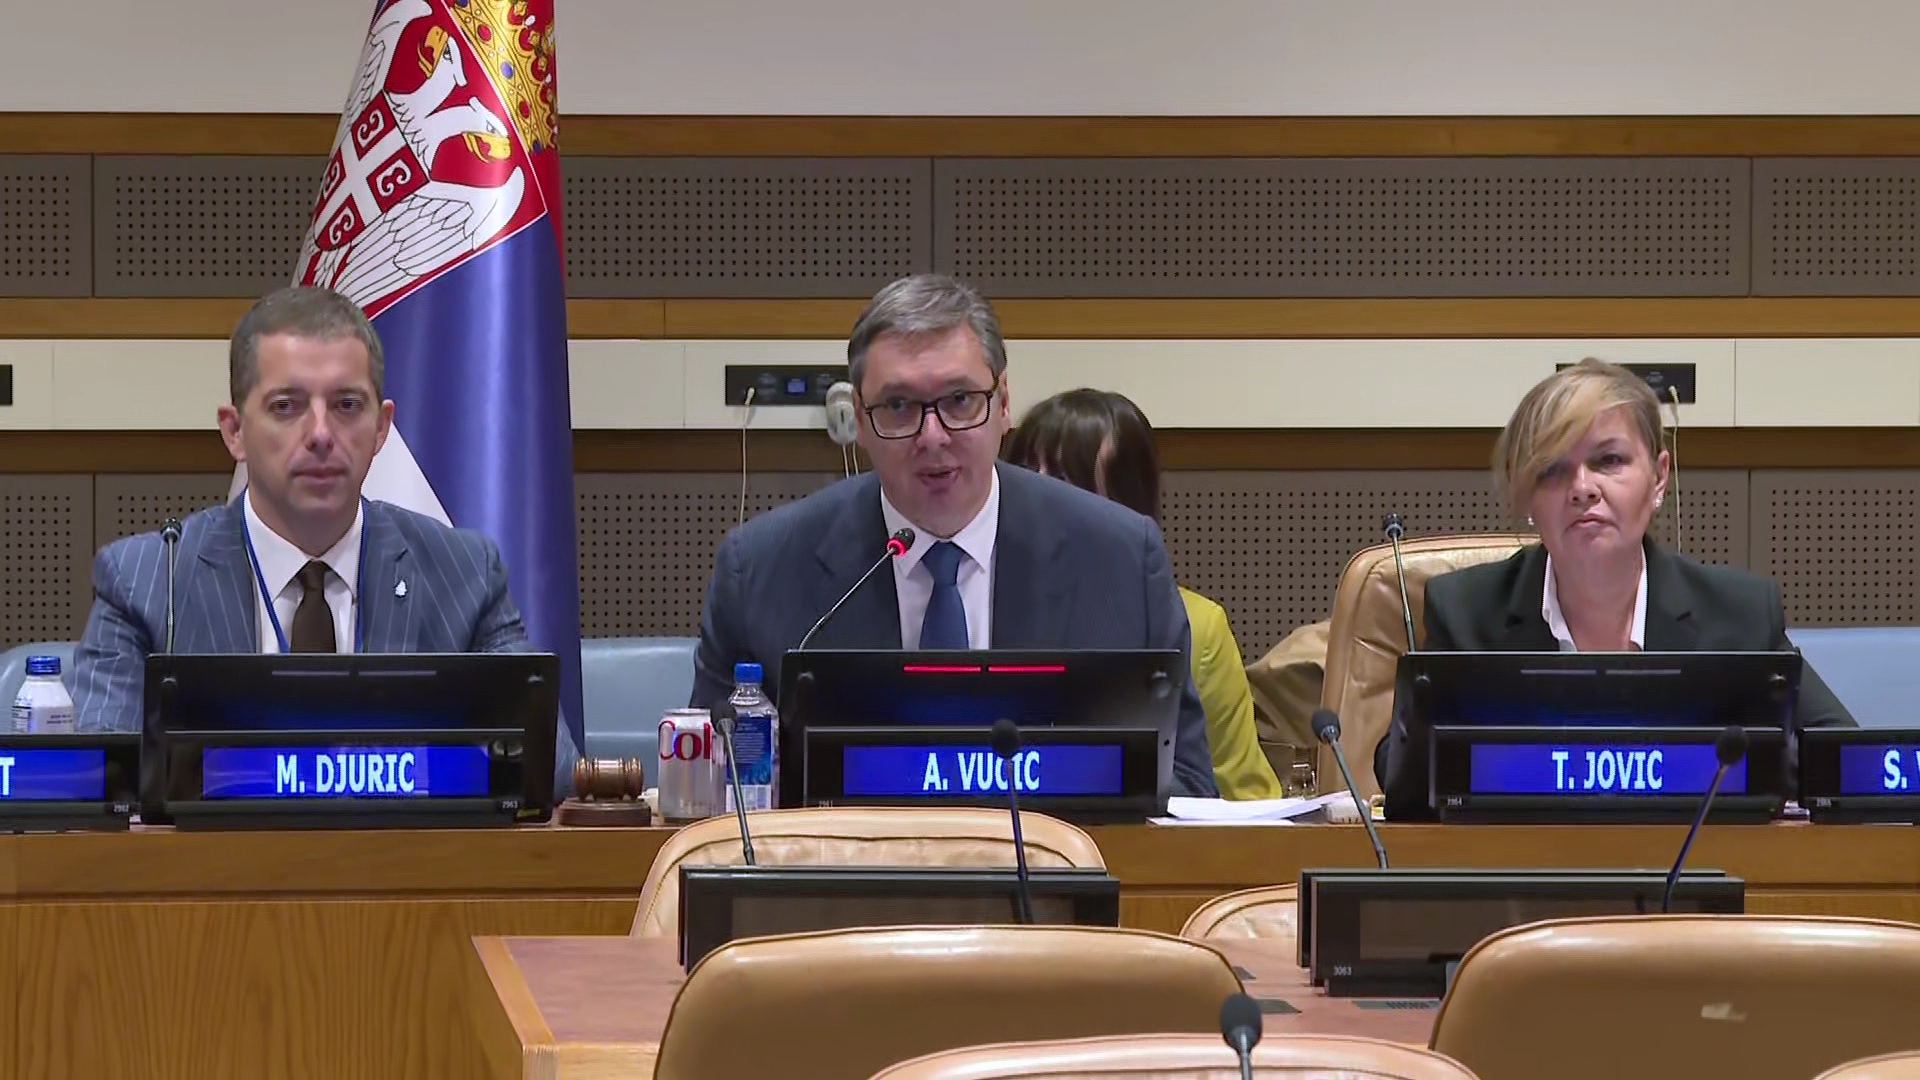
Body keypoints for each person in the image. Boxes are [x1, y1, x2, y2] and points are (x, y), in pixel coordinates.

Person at [691, 273, 1218, 796]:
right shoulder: (760, 570)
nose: (933, 436)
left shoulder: (1119, 558)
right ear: (861, 421)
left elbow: (1187, 788)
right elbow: (713, 792)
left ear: (1003, 403)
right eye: (898, 406)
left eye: (960, 400)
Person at [72, 285, 579, 784]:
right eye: (286, 406)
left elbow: (549, 768)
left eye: (347, 405)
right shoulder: (147, 582)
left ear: (381, 428)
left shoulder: (463, 575)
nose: (320, 434)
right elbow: (105, 777)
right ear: (235, 431)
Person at [1383, 359, 1854, 792]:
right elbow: (1400, 772)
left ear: (1659, 478)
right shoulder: (1465, 615)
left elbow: (1839, 759)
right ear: (1526, 496)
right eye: (1552, 470)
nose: (1582, 488)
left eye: (1608, 461)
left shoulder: (1738, 616)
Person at [1003, 388, 1282, 800]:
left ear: (1126, 503)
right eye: (1025, 475)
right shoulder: (973, 597)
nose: (1036, 498)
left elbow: (1246, 806)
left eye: (1062, 481)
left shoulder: (1197, 627)